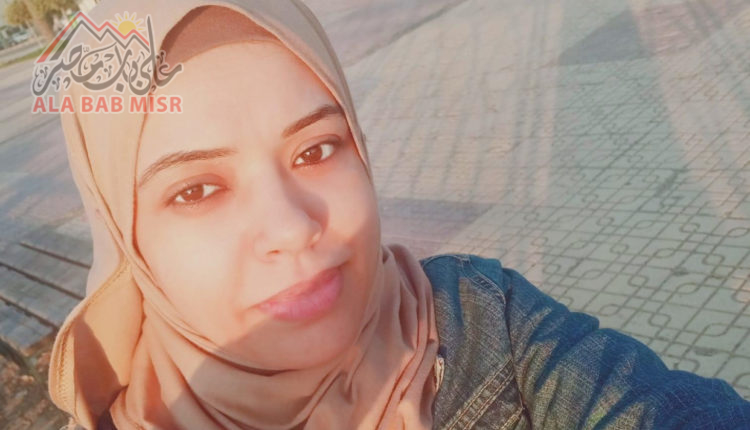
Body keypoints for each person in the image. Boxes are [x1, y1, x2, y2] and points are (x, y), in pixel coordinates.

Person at [47, 1, 750, 429]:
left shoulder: (480, 321)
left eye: (317, 148)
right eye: (197, 190)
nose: (292, 227)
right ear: (125, 234)